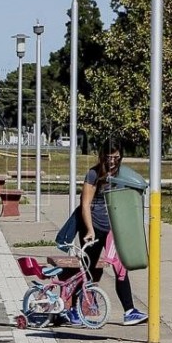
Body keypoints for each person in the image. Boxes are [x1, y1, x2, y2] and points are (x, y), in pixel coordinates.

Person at [71, 137, 147, 326]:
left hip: (114, 229)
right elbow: (85, 204)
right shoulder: (93, 174)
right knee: (88, 270)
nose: (112, 161)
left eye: (116, 157)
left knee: (120, 268)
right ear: (102, 156)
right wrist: (89, 229)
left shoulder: (123, 176)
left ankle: (129, 311)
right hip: (93, 227)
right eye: (108, 157)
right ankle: (75, 310)